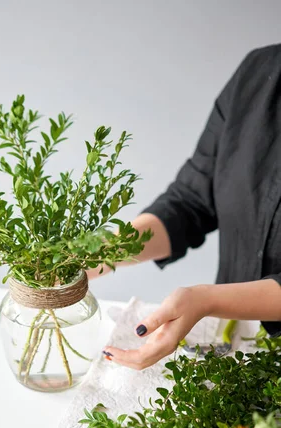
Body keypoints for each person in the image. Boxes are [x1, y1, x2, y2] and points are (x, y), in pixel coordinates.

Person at [89, 44, 281, 370]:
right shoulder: (258, 71)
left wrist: (207, 300)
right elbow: (191, 201)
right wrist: (101, 251)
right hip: (233, 351)